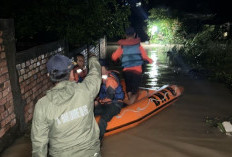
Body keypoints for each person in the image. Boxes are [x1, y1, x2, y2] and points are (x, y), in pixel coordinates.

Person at [31, 54, 102, 157]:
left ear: (49, 76)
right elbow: (95, 74)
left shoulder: (42, 105)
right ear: (72, 74)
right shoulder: (86, 90)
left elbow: (39, 144)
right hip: (91, 153)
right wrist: (93, 58)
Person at [112, 27, 153, 105]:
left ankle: (130, 103)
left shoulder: (122, 46)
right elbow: (145, 57)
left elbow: (114, 57)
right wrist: (152, 61)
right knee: (135, 92)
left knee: (129, 90)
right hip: (137, 72)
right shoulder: (138, 46)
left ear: (125, 35)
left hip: (126, 72)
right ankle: (130, 106)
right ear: (134, 34)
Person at [94, 59, 124, 141]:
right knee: (90, 111)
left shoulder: (110, 79)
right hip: (105, 104)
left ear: (104, 68)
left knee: (103, 119)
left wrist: (98, 101)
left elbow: (109, 98)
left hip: (115, 104)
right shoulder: (101, 77)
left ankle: (98, 141)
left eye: (99, 67)